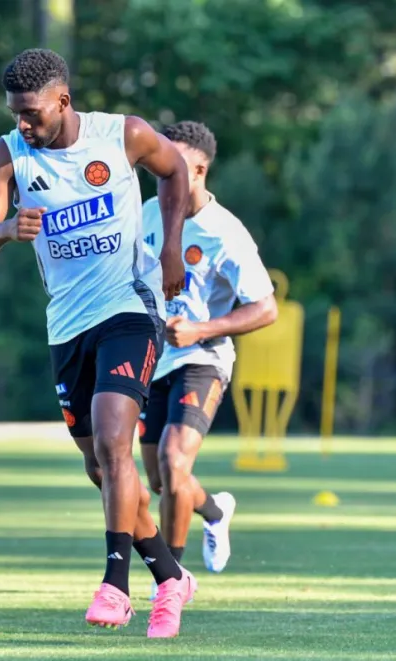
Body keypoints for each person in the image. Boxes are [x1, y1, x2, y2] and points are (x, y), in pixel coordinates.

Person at [0, 48, 196, 638]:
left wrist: (170, 245)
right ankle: (170, 576)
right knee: (102, 467)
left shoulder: (123, 136)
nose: (23, 124)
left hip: (128, 309)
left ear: (63, 101)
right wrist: (6, 230)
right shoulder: (10, 154)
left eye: (33, 113)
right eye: (16, 113)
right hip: (66, 327)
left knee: (117, 442)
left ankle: (115, 584)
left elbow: (176, 171)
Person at [138, 121, 278, 598]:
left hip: (202, 359)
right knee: (161, 482)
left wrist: (201, 328)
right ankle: (214, 511)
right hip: (151, 361)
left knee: (175, 464)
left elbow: (266, 307)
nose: (161, 177)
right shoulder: (146, 216)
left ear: (198, 170)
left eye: (170, 168)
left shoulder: (226, 233)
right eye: (157, 169)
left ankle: (170, 585)